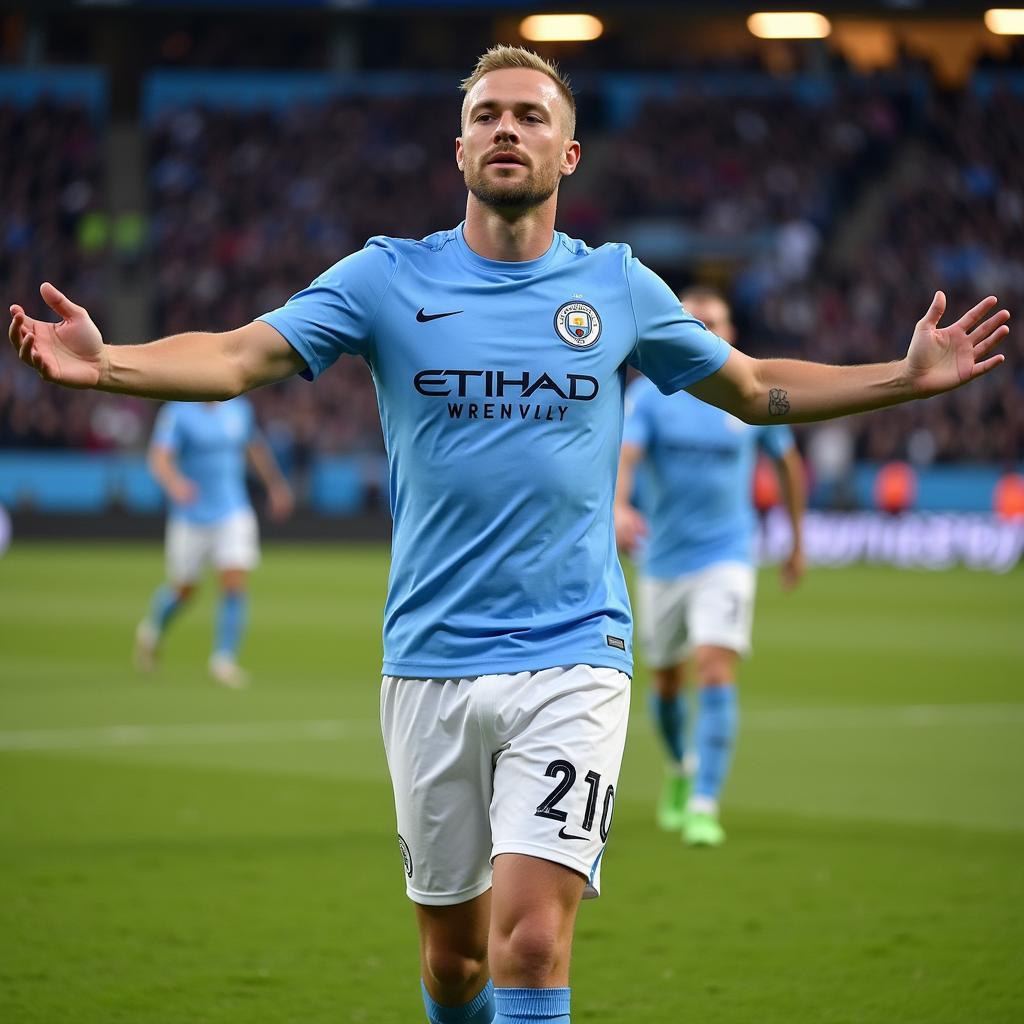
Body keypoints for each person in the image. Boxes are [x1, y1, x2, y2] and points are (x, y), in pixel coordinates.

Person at [8, 45, 1009, 1024]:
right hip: (428, 658)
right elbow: (235, 357)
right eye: (487, 114)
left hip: (574, 650)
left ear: (568, 154)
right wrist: (108, 368)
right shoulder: (383, 279)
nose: (507, 129)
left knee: (532, 942)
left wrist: (901, 376)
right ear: (458, 150)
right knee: (453, 965)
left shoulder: (618, 287)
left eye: (531, 116)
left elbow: (752, 388)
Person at [614, 286, 806, 847]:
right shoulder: (650, 396)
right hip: (664, 560)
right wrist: (621, 505)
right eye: (692, 322)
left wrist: (797, 540)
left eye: (713, 322)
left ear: (731, 333)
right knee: (668, 682)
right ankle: (680, 769)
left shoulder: (749, 397)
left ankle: (704, 803)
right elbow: (627, 458)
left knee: (715, 668)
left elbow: (789, 464)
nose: (704, 330)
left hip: (728, 555)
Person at [134, 398, 294, 688]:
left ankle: (223, 659)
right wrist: (175, 484)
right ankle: (152, 629)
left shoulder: (239, 409)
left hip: (233, 511)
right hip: (191, 516)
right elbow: (159, 457)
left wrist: (276, 485)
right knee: (184, 589)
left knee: (234, 583)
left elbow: (254, 448)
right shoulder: (178, 413)